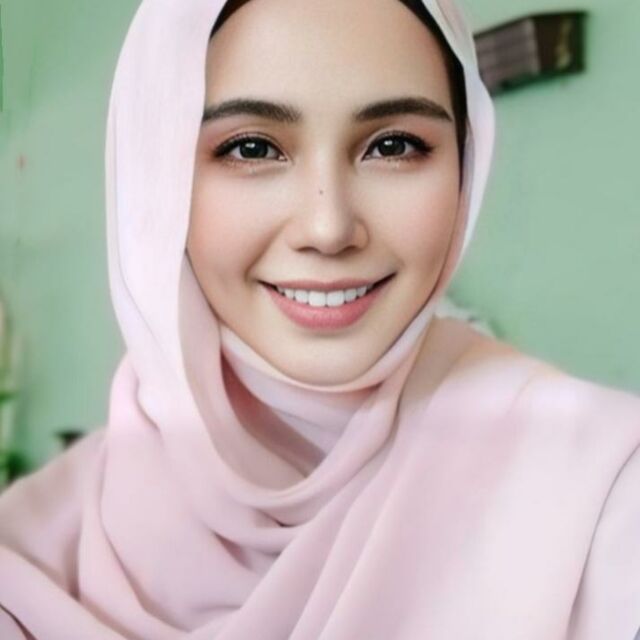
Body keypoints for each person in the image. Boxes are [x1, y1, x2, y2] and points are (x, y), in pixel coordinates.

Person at [1, 0, 639, 637]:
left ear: (464, 165)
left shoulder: (604, 484)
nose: (328, 228)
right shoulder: (26, 555)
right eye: (252, 147)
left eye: (393, 146)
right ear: (156, 180)